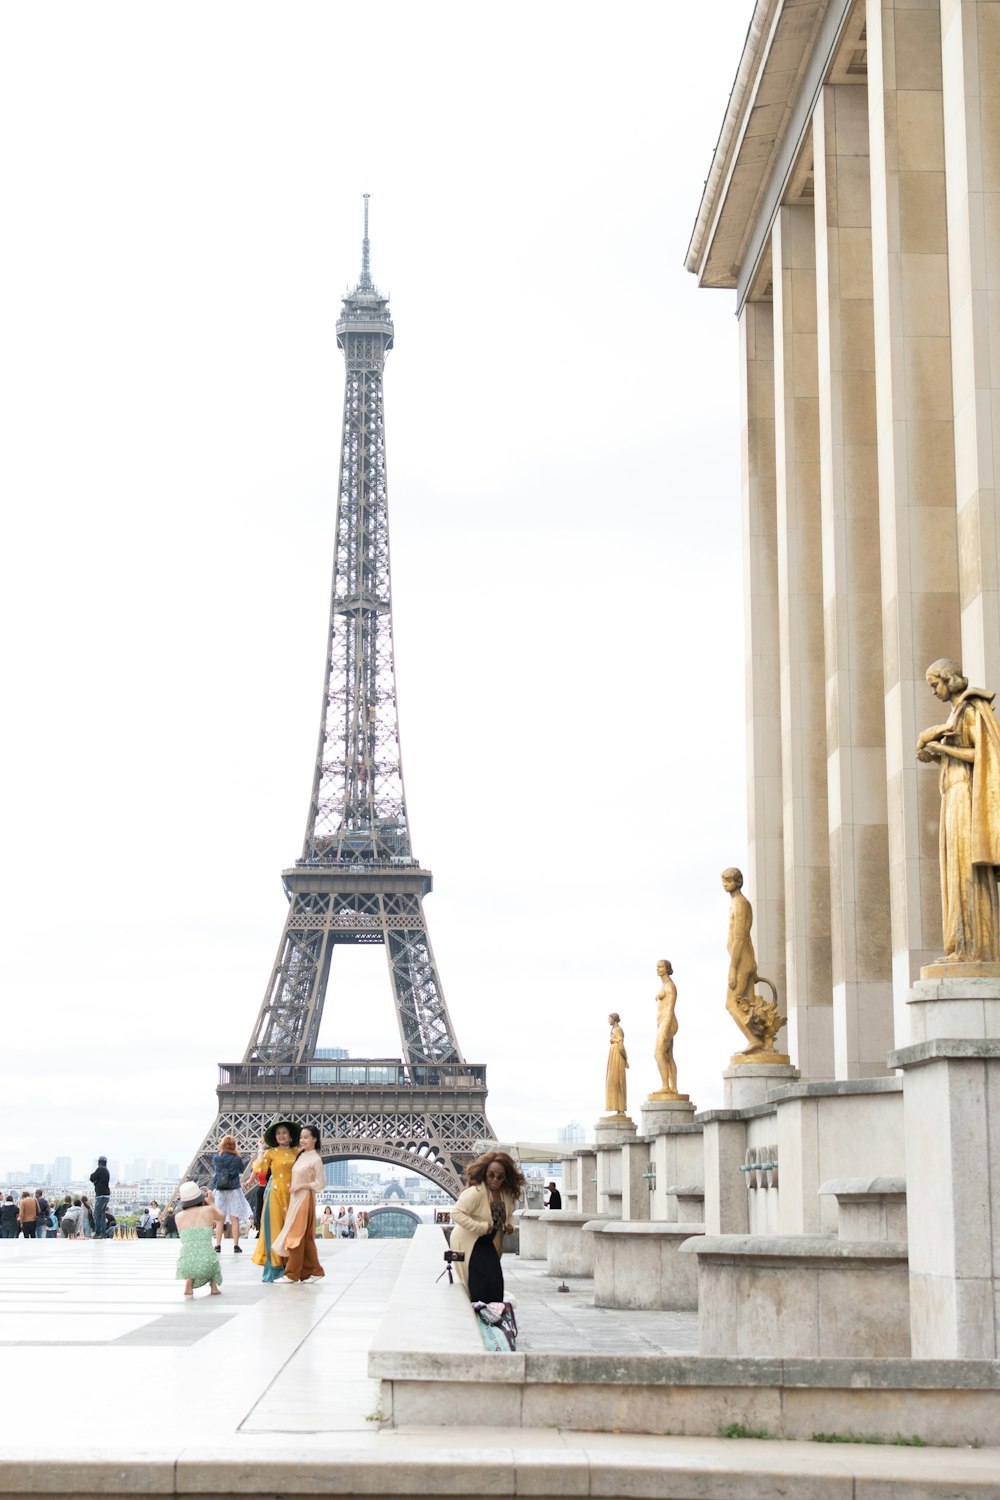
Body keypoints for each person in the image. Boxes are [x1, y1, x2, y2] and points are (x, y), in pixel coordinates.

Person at [918, 659, 1000, 963]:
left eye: (934, 684)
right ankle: (958, 946)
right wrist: (935, 756)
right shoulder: (954, 715)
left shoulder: (969, 708)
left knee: (967, 870)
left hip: (965, 795)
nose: (933, 691)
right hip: (951, 797)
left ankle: (975, 947)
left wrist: (943, 749)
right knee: (954, 872)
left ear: (948, 679)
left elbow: (982, 754)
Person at [448, 1150, 524, 1303]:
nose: (495, 1180)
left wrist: (510, 1225)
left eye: (500, 1176)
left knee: (495, 1281)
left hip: (488, 1242)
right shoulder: (475, 1193)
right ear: (484, 1173)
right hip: (470, 1241)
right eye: (491, 1175)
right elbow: (455, 1213)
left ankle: (492, 1313)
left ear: (505, 1177)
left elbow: (509, 1214)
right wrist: (480, 1227)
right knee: (478, 1282)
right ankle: (479, 1313)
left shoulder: (506, 1194)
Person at [271, 1123, 326, 1284]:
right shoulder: (301, 1155)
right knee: (305, 1237)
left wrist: (302, 1186)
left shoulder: (315, 1159)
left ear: (314, 1139)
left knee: (296, 1235)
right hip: (296, 1199)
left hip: (304, 1199)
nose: (302, 1140)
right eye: (301, 1137)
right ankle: (315, 1271)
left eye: (306, 1137)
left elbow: (321, 1183)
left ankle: (292, 1273)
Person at [251, 1119, 301, 1282]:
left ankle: (292, 1268)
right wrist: (260, 1150)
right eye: (278, 1133)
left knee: (292, 1232)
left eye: (284, 1132)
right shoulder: (271, 1153)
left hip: (293, 1196)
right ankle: (275, 1269)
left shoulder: (298, 1152)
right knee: (274, 1231)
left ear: (291, 1136)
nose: (281, 1135)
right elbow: (259, 1169)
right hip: (276, 1195)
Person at [174, 1181, 224, 1297]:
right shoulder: (208, 1211)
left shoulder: (178, 1217)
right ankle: (214, 1286)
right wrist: (212, 1203)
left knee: (192, 1255)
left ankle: (189, 1282)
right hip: (208, 1263)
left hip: (186, 1264)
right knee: (209, 1257)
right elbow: (221, 1217)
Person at [211, 1135, 251, 1254]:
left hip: (220, 1190)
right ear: (234, 1145)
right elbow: (241, 1170)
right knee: (235, 1219)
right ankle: (236, 1245)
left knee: (219, 1220)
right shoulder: (237, 1158)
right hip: (233, 1189)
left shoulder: (216, 1157)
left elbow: (217, 1172)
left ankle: (218, 1245)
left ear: (222, 1145)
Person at [654, 959, 679, 1094]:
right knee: (668, 1055)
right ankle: (673, 1087)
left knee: (658, 1053)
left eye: (661, 967)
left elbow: (670, 1008)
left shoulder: (670, 986)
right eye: (657, 967)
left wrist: (665, 1028)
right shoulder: (664, 985)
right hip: (663, 1022)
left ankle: (665, 1086)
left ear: (667, 969)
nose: (658, 969)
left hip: (667, 1021)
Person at [604, 1012, 629, 1114]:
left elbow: (621, 1046)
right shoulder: (614, 1030)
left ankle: (621, 1109)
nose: (608, 1020)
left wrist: (626, 1059)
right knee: (613, 1081)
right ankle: (617, 1108)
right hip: (613, 1056)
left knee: (618, 1080)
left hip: (617, 1056)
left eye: (609, 1018)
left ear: (614, 1019)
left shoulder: (618, 1030)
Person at [90, 1156, 111, 1240]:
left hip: (101, 1195)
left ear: (99, 1162)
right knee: (102, 1214)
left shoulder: (100, 1169)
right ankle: (103, 1233)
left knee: (97, 1214)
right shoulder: (106, 1170)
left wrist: (95, 1181)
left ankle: (98, 1232)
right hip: (106, 1195)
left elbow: (92, 1178)